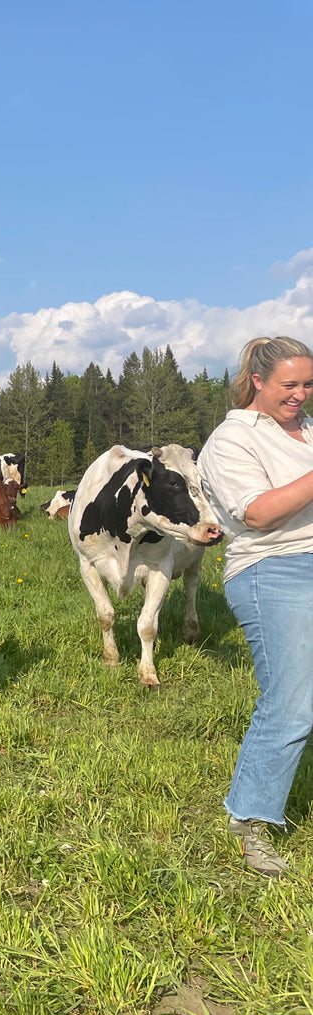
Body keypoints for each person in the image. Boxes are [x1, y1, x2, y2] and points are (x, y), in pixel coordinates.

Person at [199, 335, 313, 877]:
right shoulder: (230, 439)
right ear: (259, 380)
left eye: (308, 384)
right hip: (275, 572)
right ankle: (249, 820)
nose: (300, 395)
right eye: (289, 385)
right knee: (290, 705)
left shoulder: (307, 431)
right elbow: (261, 513)